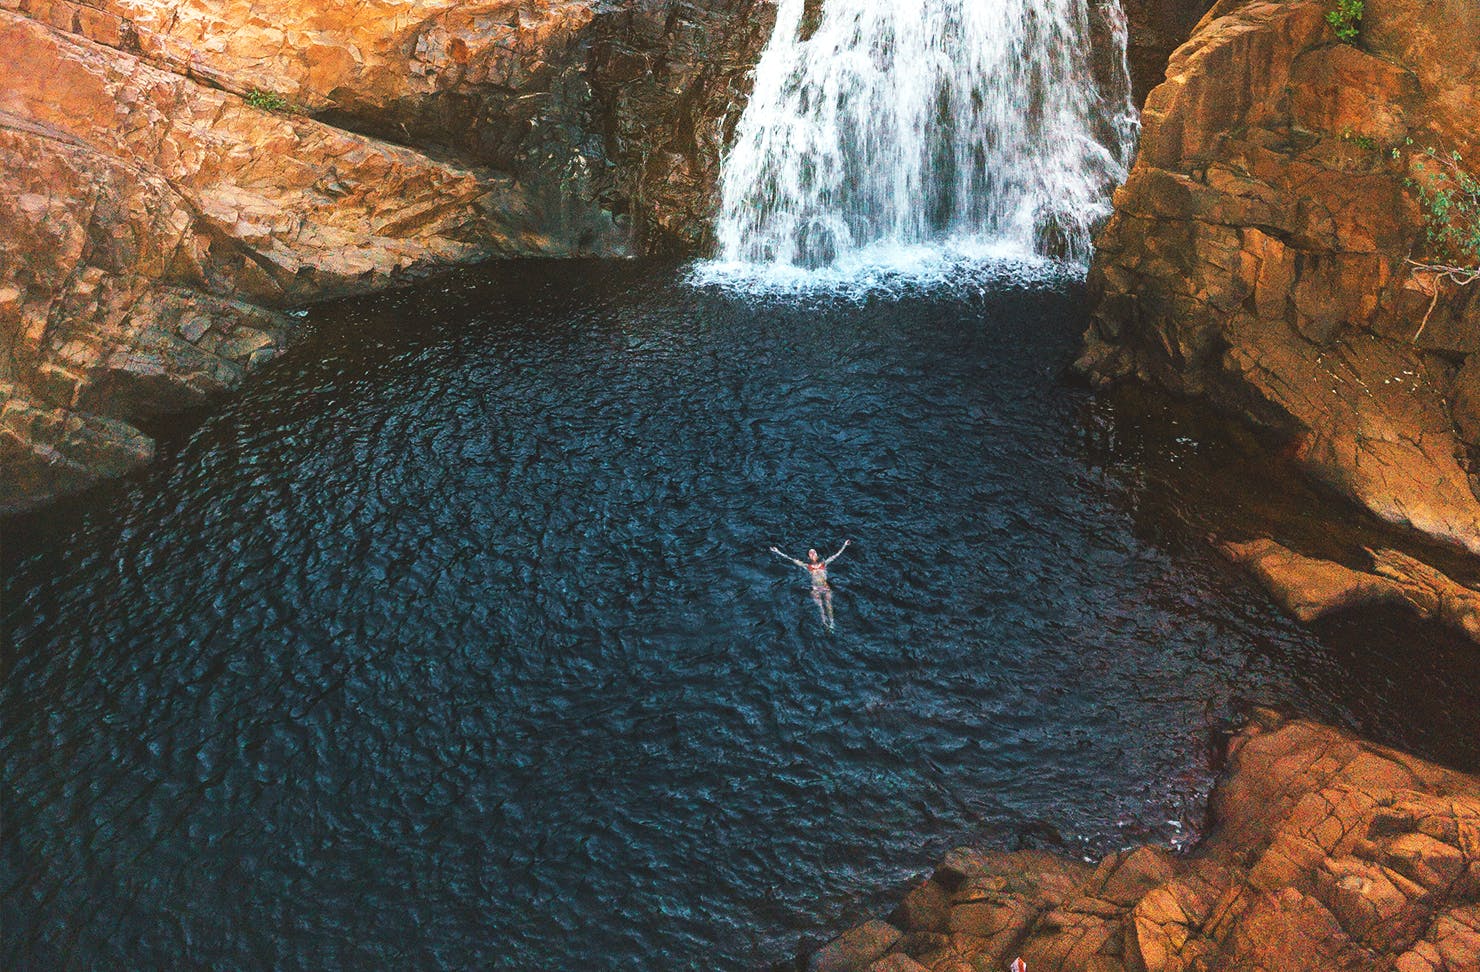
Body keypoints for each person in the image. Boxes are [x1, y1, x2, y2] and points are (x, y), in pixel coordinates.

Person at [770, 540, 850, 629]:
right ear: (809, 557)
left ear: (817, 555)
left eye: (814, 552)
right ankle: (825, 624)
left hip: (825, 587)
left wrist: (844, 545)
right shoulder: (807, 566)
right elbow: (790, 559)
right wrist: (777, 551)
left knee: (828, 605)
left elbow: (836, 555)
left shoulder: (824, 564)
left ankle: (832, 624)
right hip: (815, 589)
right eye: (810, 553)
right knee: (821, 608)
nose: (812, 554)